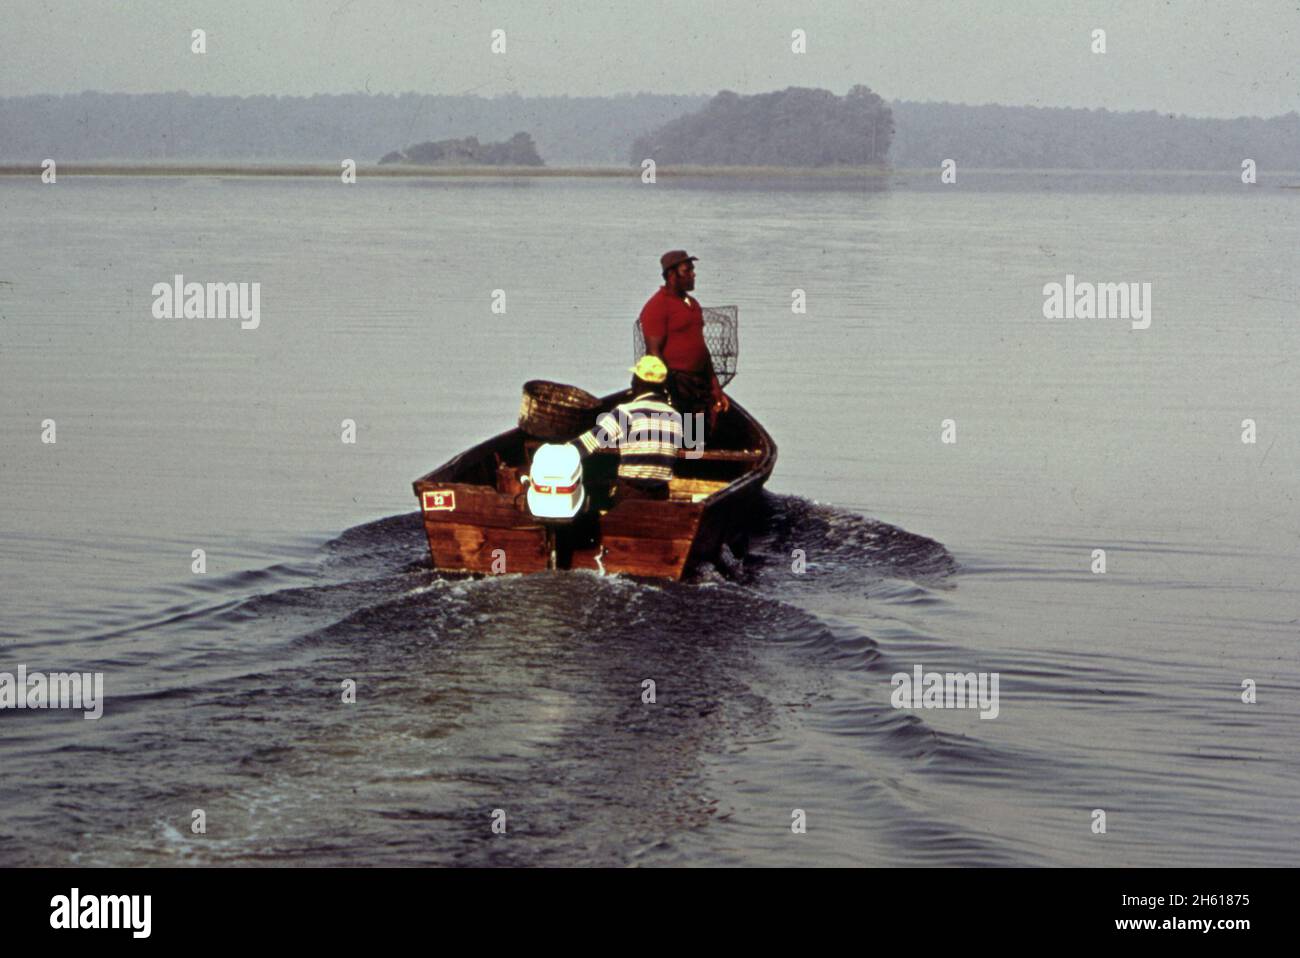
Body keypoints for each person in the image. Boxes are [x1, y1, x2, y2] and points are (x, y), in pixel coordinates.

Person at [639, 250, 729, 443]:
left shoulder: (692, 304)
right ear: (672, 275)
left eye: (692, 270)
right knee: (681, 437)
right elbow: (653, 353)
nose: (693, 274)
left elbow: (702, 350)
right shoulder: (657, 306)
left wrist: (715, 388)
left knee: (699, 437)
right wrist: (668, 390)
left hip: (698, 384)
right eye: (687, 271)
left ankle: (696, 464)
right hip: (677, 383)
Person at [570, 356, 681, 502]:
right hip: (660, 494)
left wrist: (563, 451)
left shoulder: (627, 412)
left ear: (637, 383)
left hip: (631, 492)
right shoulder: (675, 417)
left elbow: (590, 442)